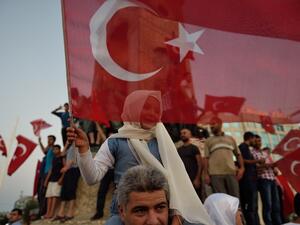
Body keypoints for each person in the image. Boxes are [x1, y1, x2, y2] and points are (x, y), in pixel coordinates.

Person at [67, 90, 212, 225]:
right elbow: (92, 178)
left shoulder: (163, 142)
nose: (152, 113)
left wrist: (176, 216)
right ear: (132, 108)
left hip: (161, 209)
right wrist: (84, 150)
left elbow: (175, 181)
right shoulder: (115, 141)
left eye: (157, 110)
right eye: (146, 107)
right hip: (127, 209)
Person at [203, 117, 244, 198]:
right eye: (210, 124)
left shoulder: (230, 139)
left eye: (213, 123)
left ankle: (237, 211)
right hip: (215, 174)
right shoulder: (208, 141)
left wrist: (242, 168)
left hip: (231, 172)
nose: (211, 126)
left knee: (235, 199)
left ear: (220, 124)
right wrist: (206, 174)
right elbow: (206, 158)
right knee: (221, 200)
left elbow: (238, 154)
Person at [251, 135, 282, 225]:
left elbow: (271, 166)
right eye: (257, 141)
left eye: (260, 141)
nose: (259, 143)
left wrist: (274, 167)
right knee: (268, 205)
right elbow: (254, 168)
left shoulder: (265, 153)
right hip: (263, 180)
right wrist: (266, 165)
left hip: (272, 180)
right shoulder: (252, 153)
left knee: (276, 205)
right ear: (253, 142)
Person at [239, 131, 264, 225]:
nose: (255, 141)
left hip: (252, 180)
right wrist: (257, 160)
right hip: (247, 181)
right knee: (251, 207)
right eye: (254, 139)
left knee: (254, 207)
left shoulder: (247, 149)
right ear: (250, 138)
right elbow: (243, 160)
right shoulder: (243, 147)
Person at [54, 142, 80, 222]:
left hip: (74, 170)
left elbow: (74, 159)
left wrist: (66, 167)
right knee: (64, 192)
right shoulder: (69, 147)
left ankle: (70, 213)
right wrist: (66, 144)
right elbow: (62, 154)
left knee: (71, 190)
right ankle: (60, 213)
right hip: (68, 170)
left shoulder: (77, 145)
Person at [177, 128, 203, 197]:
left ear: (190, 135)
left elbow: (200, 164)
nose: (182, 135)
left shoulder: (194, 148)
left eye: (184, 133)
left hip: (194, 179)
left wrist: (197, 178)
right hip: (184, 179)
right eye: (181, 133)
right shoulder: (179, 150)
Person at [44, 144, 65, 219]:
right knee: (49, 196)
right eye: (54, 149)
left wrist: (62, 178)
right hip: (51, 179)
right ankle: (47, 213)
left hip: (58, 179)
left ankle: (52, 213)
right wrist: (46, 180)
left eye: (56, 149)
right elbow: (51, 169)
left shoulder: (62, 158)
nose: (55, 150)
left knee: (54, 196)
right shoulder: (53, 159)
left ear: (59, 150)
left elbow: (64, 168)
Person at [37, 135, 56, 216]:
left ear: (54, 141)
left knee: (44, 193)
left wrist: (48, 176)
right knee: (40, 193)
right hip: (43, 173)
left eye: (50, 139)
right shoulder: (48, 149)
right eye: (48, 139)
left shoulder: (54, 149)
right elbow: (44, 150)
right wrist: (40, 142)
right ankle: (41, 210)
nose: (49, 141)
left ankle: (43, 211)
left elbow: (53, 164)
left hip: (48, 173)